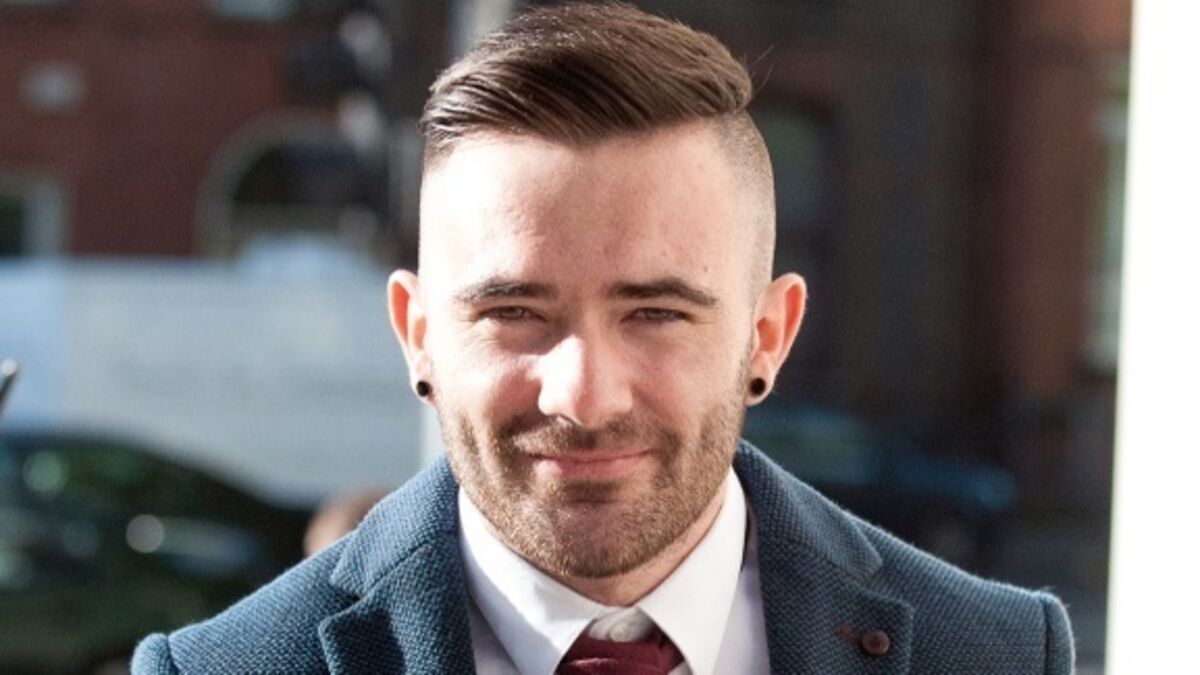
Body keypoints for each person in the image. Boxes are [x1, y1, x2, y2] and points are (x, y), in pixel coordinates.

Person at [133, 4, 1074, 673]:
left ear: (767, 334)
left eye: (654, 313)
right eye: (515, 312)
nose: (583, 395)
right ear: (418, 335)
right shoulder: (224, 669)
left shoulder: (991, 655)